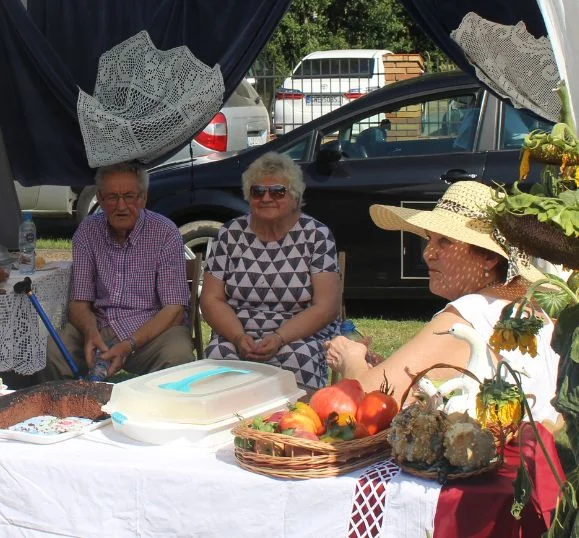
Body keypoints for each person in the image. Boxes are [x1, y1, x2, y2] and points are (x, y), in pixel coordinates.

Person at [325, 181, 562, 429]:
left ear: (490, 257)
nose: (429, 253)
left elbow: (370, 402)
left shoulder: (470, 313)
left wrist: (349, 358)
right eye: (430, 239)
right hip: (534, 462)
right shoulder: (529, 307)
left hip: (489, 463)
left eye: (445, 242)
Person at [37, 161, 194, 381]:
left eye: (129, 196)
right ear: (100, 199)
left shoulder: (165, 232)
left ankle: (154, 413)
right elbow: (79, 302)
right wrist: (90, 333)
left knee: (177, 355)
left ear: (143, 198)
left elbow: (174, 310)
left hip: (149, 332)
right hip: (99, 327)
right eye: (111, 197)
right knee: (51, 351)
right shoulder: (88, 231)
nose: (121, 206)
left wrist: (129, 344)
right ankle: (69, 411)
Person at [200, 151, 341, 390]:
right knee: (218, 356)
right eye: (258, 191)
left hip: (299, 334)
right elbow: (211, 298)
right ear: (248, 195)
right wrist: (237, 337)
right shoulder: (230, 233)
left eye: (277, 191)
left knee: (300, 358)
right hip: (238, 330)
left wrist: (279, 338)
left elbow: (326, 306)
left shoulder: (316, 235)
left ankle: (294, 424)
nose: (266, 198)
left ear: (295, 197)